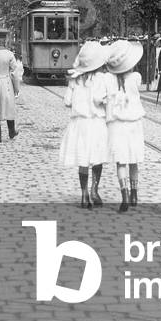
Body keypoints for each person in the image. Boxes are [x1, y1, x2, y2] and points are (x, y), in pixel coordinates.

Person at [59, 41, 113, 209]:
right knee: (97, 159)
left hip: (79, 124)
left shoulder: (75, 79)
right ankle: (95, 190)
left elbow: (67, 101)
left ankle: (84, 194)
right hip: (96, 123)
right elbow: (103, 100)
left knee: (83, 159)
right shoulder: (103, 79)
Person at [106, 40, 144, 213]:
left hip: (117, 124)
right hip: (134, 123)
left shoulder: (109, 80)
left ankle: (125, 196)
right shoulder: (136, 78)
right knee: (133, 160)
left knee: (121, 161)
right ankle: (135, 193)